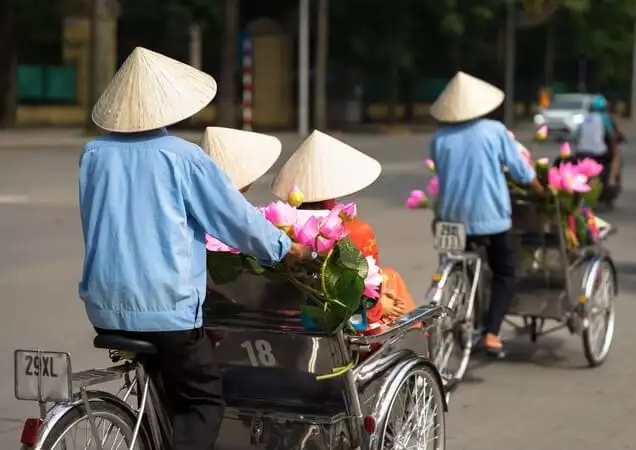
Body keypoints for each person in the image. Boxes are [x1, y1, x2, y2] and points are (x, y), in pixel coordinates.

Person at [78, 47, 310, 450]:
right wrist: (283, 248)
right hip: (168, 313)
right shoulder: (184, 158)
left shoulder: (94, 155)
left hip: (103, 307)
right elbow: (235, 220)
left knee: (167, 386)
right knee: (203, 399)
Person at [429, 71, 544, 355]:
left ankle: (456, 300)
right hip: (489, 216)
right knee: (505, 271)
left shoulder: (439, 138)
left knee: (457, 263)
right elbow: (520, 172)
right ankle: (492, 333)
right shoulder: (494, 131)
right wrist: (539, 188)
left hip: (450, 217)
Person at [271, 130, 417, 324]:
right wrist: (382, 305)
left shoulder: (273, 227)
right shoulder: (354, 230)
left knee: (389, 277)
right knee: (392, 281)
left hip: (282, 314)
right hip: (339, 324)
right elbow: (361, 294)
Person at [572, 95, 622, 207]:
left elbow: (575, 136)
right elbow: (612, 135)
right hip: (599, 153)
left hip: (581, 153)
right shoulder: (604, 118)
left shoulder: (585, 118)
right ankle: (611, 181)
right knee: (616, 156)